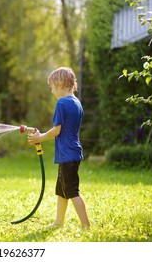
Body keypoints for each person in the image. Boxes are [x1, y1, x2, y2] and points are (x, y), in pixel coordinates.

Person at [28, 67, 90, 229]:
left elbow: (57, 130)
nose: (51, 92)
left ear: (60, 84)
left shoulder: (62, 103)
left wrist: (39, 138)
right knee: (62, 190)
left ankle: (86, 226)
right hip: (72, 153)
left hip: (68, 155)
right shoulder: (76, 103)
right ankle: (58, 222)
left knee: (72, 191)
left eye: (52, 87)